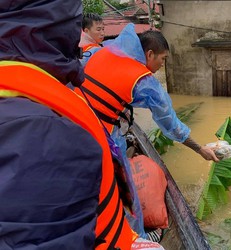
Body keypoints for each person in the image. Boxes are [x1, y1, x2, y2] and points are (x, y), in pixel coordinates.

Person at [0, 1, 163, 249]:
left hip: (99, 134)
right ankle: (137, 231)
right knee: (125, 187)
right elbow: (168, 119)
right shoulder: (41, 132)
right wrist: (201, 149)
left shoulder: (97, 57)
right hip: (106, 137)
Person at [75, 22, 219, 240]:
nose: (162, 65)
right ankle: (137, 238)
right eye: (163, 59)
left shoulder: (101, 52)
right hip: (98, 137)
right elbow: (171, 125)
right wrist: (200, 149)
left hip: (72, 124)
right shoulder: (144, 81)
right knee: (127, 192)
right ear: (150, 54)